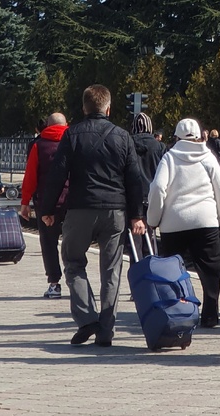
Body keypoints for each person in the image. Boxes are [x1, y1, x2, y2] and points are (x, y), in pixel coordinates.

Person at [40, 84, 145, 347]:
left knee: (74, 263)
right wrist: (137, 215)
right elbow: (135, 180)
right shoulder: (122, 137)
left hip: (80, 209)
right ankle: (106, 331)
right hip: (115, 212)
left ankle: (87, 319)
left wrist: (48, 210)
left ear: (84, 108)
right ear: (108, 108)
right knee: (111, 271)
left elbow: (57, 175)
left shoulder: (72, 135)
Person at [147, 117, 220, 328]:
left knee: (171, 272)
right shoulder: (208, 157)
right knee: (211, 271)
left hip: (173, 224)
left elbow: (157, 188)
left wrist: (153, 219)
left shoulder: (169, 158)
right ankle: (210, 314)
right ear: (199, 136)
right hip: (205, 222)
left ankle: (176, 312)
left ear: (176, 137)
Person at [20, 112, 69, 298]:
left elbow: (30, 176)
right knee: (75, 242)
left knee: (48, 243)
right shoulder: (74, 142)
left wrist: (25, 203)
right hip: (72, 202)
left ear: (47, 126)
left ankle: (55, 284)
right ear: (67, 124)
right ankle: (77, 279)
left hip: (45, 203)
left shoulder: (38, 145)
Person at [131, 113, 167, 249]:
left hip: (133, 197)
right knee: (151, 235)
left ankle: (137, 264)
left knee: (135, 240)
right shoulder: (159, 147)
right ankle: (151, 262)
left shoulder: (127, 144)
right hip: (152, 195)